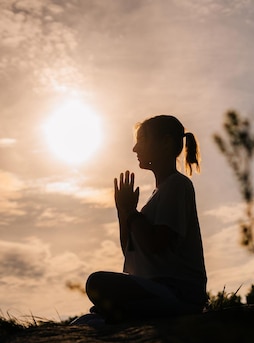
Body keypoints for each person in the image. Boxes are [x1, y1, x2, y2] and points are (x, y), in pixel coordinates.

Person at [72, 115, 207, 325]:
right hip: (155, 290)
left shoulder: (178, 185)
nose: (135, 149)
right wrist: (123, 211)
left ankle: (125, 312)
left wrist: (133, 212)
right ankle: (122, 312)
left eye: (142, 139)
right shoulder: (158, 195)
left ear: (166, 142)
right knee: (82, 322)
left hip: (178, 293)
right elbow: (129, 250)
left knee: (96, 282)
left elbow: (156, 243)